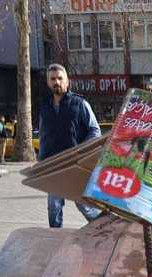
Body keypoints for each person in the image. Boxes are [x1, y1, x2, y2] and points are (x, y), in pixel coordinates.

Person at [38, 64, 103, 228]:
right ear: (48, 82)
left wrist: (81, 153)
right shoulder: (45, 107)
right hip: (54, 166)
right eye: (53, 79)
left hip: (76, 165)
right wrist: (41, 161)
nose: (56, 82)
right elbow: (43, 135)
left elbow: (95, 130)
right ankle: (55, 239)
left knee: (85, 206)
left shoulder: (80, 104)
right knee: (53, 207)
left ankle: (103, 231)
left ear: (67, 82)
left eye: (60, 78)